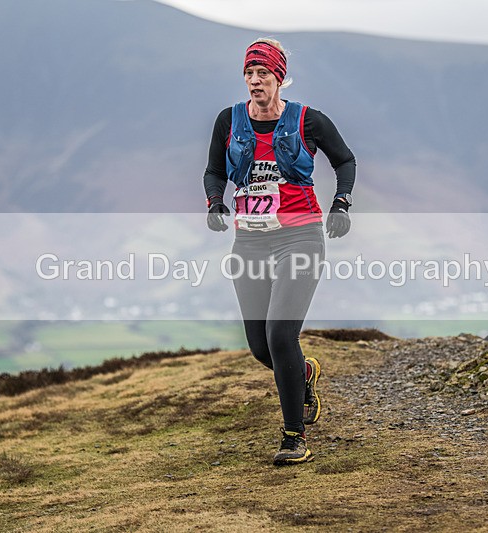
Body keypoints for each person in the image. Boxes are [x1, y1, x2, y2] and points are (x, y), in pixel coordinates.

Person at [202, 38, 356, 466]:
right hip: (249, 239)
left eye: (263, 74)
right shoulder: (228, 121)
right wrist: (215, 200)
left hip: (300, 237)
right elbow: (214, 170)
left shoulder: (308, 120)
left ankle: (294, 437)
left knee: (279, 334)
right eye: (249, 74)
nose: (255, 81)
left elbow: (345, 161)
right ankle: (303, 374)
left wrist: (340, 203)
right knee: (258, 346)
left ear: (279, 78)